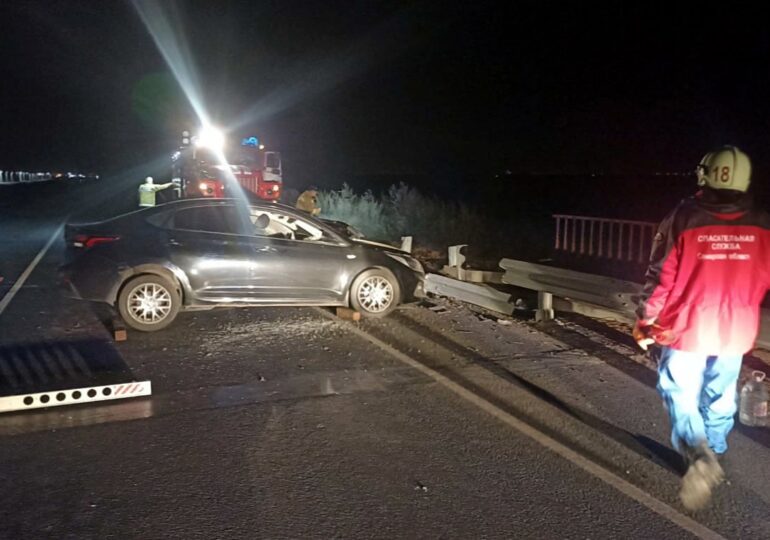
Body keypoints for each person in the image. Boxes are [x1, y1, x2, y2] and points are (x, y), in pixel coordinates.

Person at [634, 145, 770, 510]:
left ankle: (697, 452)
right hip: (736, 330)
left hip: (687, 327)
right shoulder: (762, 221)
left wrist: (646, 319)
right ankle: (717, 448)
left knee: (679, 390)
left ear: (705, 175)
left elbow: (660, 275)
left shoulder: (684, 216)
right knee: (721, 392)